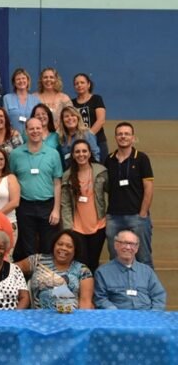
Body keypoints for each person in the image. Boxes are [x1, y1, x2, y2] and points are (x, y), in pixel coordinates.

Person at [10, 118, 63, 260]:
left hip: (48, 205)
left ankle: (44, 274)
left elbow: (57, 182)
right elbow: (11, 179)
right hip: (24, 205)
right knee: (27, 247)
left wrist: (56, 209)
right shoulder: (15, 154)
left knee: (48, 246)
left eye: (38, 128)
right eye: (31, 128)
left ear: (43, 129)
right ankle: (30, 274)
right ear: (26, 131)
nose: (35, 131)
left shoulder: (53, 154)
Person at [104, 122, 154, 267]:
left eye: (127, 134)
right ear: (115, 137)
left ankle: (146, 283)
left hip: (137, 217)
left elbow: (149, 187)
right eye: (120, 134)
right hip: (114, 218)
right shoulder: (109, 159)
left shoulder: (142, 158)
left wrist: (143, 214)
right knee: (115, 259)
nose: (123, 136)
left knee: (143, 258)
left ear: (133, 137)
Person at [61, 139, 108, 273]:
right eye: (77, 152)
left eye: (84, 151)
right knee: (81, 263)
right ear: (73, 155)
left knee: (93, 262)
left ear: (89, 153)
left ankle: (92, 286)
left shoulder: (101, 171)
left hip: (98, 226)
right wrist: (68, 227)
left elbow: (111, 192)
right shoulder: (68, 175)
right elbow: (65, 204)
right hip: (77, 228)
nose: (81, 154)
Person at [16, 230, 94, 310]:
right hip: (39, 315)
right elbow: (12, 269)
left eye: (69, 246)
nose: (63, 248)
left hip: (70, 315)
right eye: (60, 244)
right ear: (54, 245)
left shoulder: (83, 271)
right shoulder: (38, 260)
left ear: (75, 250)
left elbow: (85, 302)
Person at [94, 230, 166, 310]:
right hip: (118, 315)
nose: (128, 247)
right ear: (116, 245)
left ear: (137, 248)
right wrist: (116, 313)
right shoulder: (102, 272)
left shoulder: (147, 272)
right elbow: (101, 299)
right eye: (124, 243)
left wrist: (153, 313)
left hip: (146, 314)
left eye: (132, 244)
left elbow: (158, 296)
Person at [72, 73, 108, 163]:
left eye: (82, 82)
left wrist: (88, 137)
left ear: (88, 84)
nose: (79, 85)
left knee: (99, 168)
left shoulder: (96, 99)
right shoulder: (71, 103)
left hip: (98, 141)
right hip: (78, 143)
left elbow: (101, 120)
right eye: (76, 83)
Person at [3, 68, 40, 134]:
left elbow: (38, 120)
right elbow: (4, 119)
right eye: (18, 79)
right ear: (14, 83)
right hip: (13, 136)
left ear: (28, 81)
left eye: (23, 78)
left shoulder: (35, 100)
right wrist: (11, 131)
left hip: (31, 135)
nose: (21, 81)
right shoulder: (7, 98)